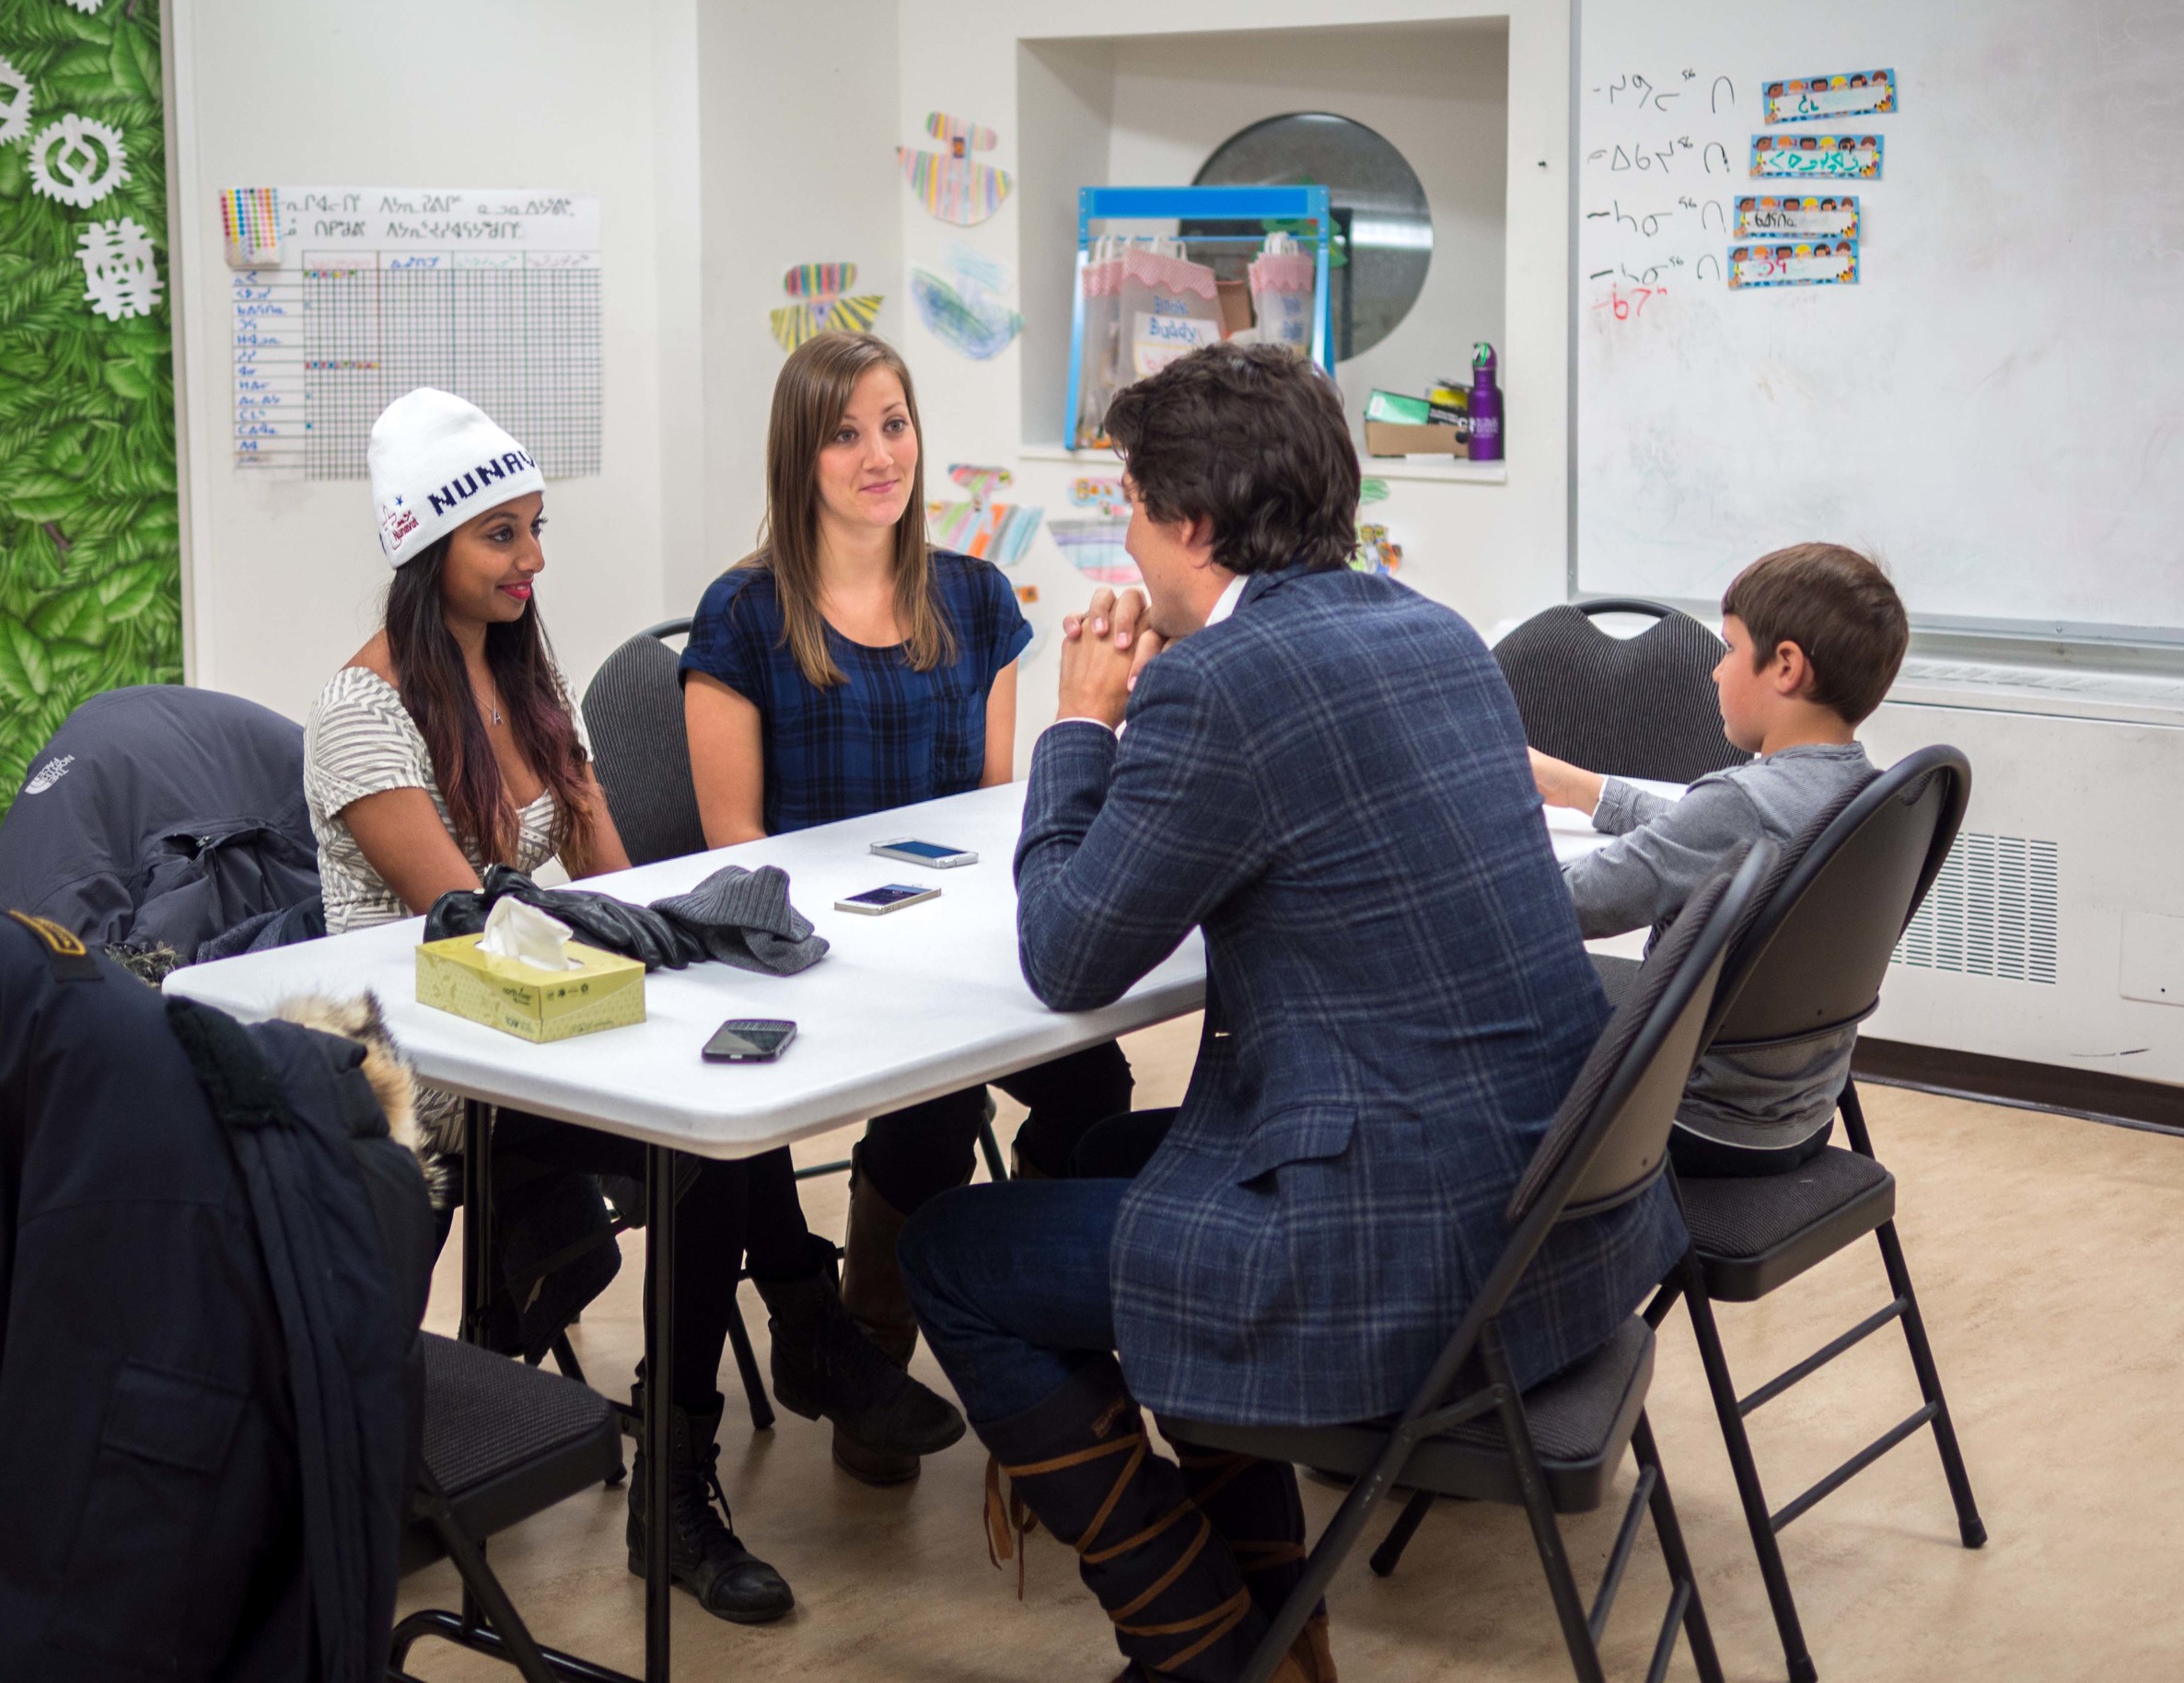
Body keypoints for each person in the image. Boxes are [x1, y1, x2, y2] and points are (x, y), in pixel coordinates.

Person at [894, 345, 1685, 1683]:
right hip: (1559, 1220)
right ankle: (1285, 1625)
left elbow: (1071, 953)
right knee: (1090, 1155)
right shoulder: (1434, 629)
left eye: (1132, 507)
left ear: (1191, 525)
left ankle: (1196, 1641)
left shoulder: (1222, 683)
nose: (1128, 539)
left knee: (956, 1251)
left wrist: (1080, 729)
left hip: (1406, 1256)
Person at [305, 388, 962, 1624]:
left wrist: (687, 925)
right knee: (699, 1139)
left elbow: (617, 880)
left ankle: (694, 1467)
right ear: (423, 546)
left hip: (536, 1023)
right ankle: (792, 1347)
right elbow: (472, 930)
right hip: (428, 1068)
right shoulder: (361, 716)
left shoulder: (521, 672)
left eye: (535, 527)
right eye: (501, 534)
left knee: (713, 1120)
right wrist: (644, 938)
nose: (534, 559)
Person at [680, 330, 1133, 1482]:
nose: (878, 454)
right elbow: (731, 838)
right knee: (932, 1105)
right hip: (808, 954)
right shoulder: (739, 615)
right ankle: (868, 1345)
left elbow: (993, 811)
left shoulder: (974, 598)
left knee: (1093, 1079)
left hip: (956, 945)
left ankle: (1044, 1333)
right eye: (844, 434)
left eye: (893, 424)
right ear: (800, 456)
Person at [1528, 541, 1909, 1177]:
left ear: (1786, 666)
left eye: (1730, 648)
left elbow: (1567, 906)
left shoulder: (1738, 803)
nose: (1715, 670)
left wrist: (1462, 860)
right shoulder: (1860, 788)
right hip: (1797, 1112)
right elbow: (1720, 842)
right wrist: (1590, 791)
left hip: (1690, 1117)